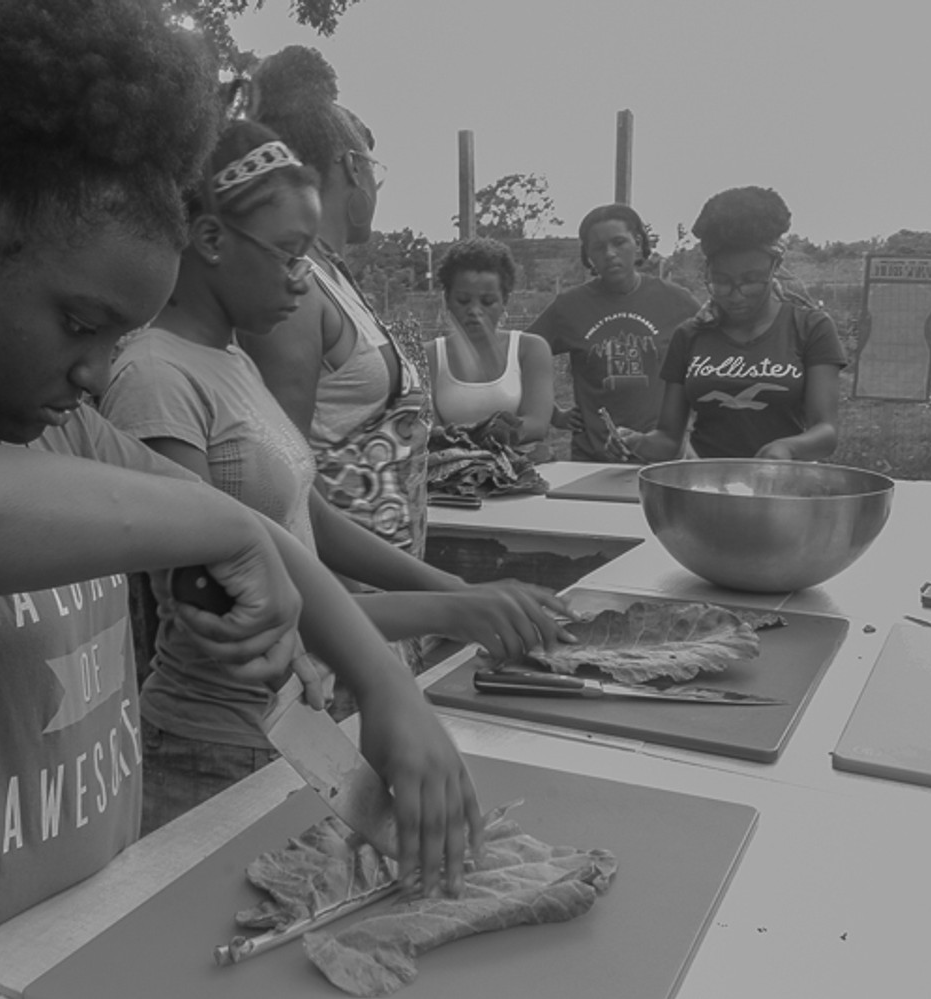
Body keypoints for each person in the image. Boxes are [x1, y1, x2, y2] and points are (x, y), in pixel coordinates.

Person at [0, 4, 480, 997]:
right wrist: (216, 520)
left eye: (120, 339)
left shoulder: (59, 427)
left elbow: (261, 537)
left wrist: (384, 689)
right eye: (80, 323)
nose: (95, 373)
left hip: (70, 953)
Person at [101, 115, 572, 832]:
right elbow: (234, 611)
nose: (304, 280)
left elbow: (307, 518)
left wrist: (456, 588)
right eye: (290, 254)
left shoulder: (230, 361)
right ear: (210, 240)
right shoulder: (155, 379)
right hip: (211, 748)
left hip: (292, 723)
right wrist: (453, 612)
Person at [239, 46, 431, 556]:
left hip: (389, 593)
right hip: (343, 600)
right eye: (374, 169)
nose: (376, 185)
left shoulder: (333, 278)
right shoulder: (297, 293)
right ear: (351, 167)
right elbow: (285, 487)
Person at [617, 187, 847, 462]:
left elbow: (826, 431)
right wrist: (638, 442)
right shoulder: (690, 336)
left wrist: (787, 449)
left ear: (775, 268)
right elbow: (668, 439)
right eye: (722, 282)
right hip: (708, 485)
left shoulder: (810, 328)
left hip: (780, 488)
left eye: (751, 281)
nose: (736, 295)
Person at [526, 204, 700, 461]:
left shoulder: (678, 302)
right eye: (598, 247)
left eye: (619, 242)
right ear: (588, 256)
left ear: (638, 243)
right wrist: (553, 414)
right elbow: (519, 358)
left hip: (659, 459)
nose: (609, 254)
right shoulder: (569, 307)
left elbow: (712, 353)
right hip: (592, 460)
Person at [427, 236, 555, 446]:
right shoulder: (429, 357)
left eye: (487, 302)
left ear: (505, 301)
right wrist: (494, 432)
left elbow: (537, 424)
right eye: (463, 301)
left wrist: (469, 435)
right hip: (450, 473)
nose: (475, 311)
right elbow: (428, 429)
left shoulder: (530, 350)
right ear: (447, 299)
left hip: (518, 473)